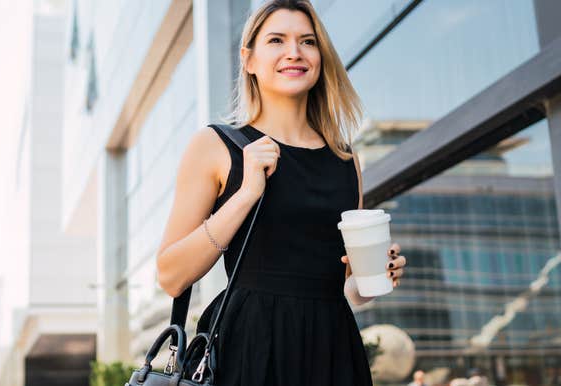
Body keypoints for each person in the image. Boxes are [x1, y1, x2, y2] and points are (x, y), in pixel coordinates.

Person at [155, 1, 407, 385]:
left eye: (307, 41)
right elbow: (171, 276)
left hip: (332, 347)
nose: (294, 52)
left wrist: (376, 275)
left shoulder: (344, 158)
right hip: (250, 347)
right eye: (277, 40)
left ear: (320, 57)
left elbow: (346, 288)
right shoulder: (216, 145)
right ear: (249, 59)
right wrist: (245, 194)